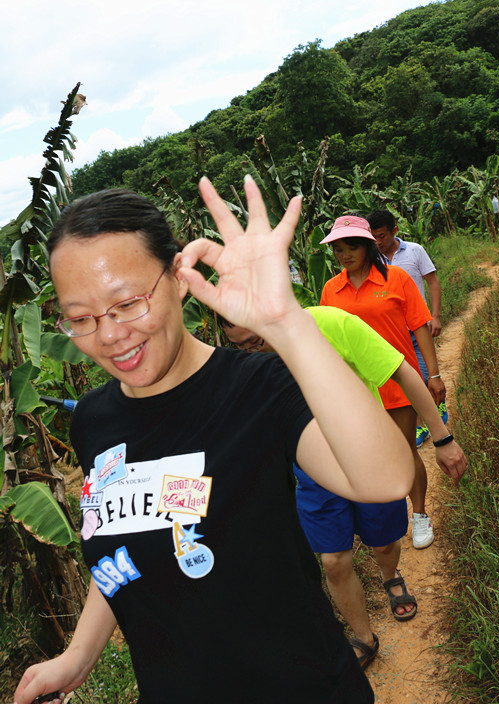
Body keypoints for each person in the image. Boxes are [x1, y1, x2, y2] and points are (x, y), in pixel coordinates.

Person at [15, 179, 415, 704]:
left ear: (179, 278)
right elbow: (123, 546)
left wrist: (286, 324)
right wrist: (78, 655)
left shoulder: (259, 386)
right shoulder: (92, 420)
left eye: (128, 303)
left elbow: (386, 479)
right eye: (80, 318)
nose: (109, 335)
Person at [221, 306, 466, 667]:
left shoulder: (332, 324)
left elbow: (403, 372)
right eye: (240, 347)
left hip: (369, 455)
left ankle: (389, 574)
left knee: (383, 543)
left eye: (256, 341)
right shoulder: (246, 365)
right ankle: (364, 637)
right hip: (312, 471)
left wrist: (442, 439)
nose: (252, 353)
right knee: (334, 561)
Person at [319, 215, 465, 551]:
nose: (344, 255)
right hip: (357, 391)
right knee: (374, 455)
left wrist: (434, 374)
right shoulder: (331, 289)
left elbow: (420, 327)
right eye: (338, 249)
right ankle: (386, 513)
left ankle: (420, 514)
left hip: (398, 383)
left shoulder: (397, 279)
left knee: (405, 450)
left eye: (351, 247)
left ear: (368, 245)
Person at [367, 209, 447, 445]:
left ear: (394, 230)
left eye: (382, 236)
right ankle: (420, 425)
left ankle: (437, 404)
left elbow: (432, 281)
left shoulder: (415, 251)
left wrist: (436, 315)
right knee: (406, 379)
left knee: (425, 374)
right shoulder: (373, 260)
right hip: (392, 329)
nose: (378, 242)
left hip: (418, 325)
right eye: (374, 238)